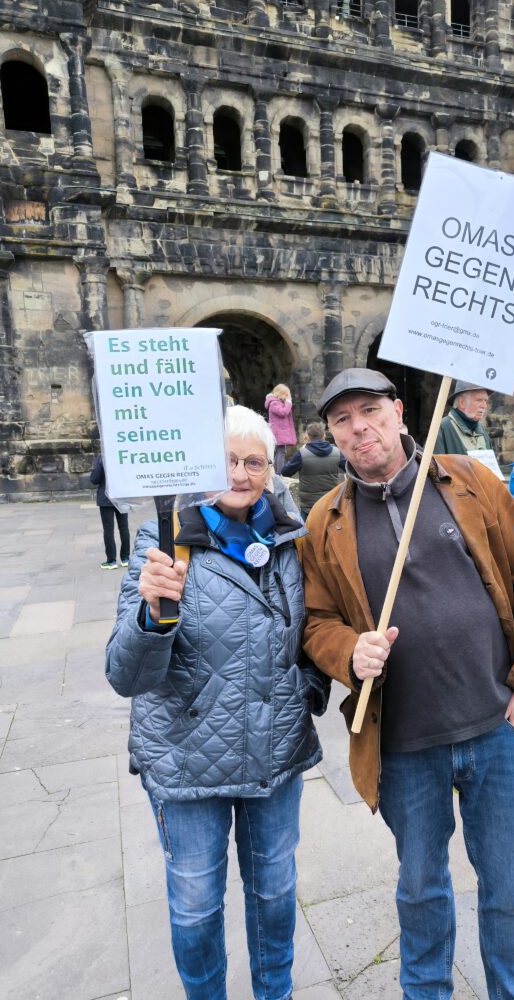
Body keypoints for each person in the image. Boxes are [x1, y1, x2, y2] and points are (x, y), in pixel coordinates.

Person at [300, 368, 514, 1000]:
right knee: (420, 891)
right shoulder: (324, 521)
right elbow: (316, 621)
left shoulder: (469, 482)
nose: (359, 427)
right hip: (404, 744)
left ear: (399, 412)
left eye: (370, 410)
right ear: (332, 434)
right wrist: (348, 652)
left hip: (499, 729)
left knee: (510, 894)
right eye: (343, 419)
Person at [105, 406, 329, 1000]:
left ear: (271, 467)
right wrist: (153, 615)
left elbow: (314, 629)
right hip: (186, 759)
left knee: (275, 894)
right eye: (227, 459)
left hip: (274, 754)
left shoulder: (290, 535)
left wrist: (308, 689)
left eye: (254, 461)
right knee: (197, 904)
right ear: (200, 464)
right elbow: (125, 676)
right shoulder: (164, 536)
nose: (240, 472)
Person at [281, 420, 345, 519]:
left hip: (309, 506)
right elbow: (348, 467)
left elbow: (285, 472)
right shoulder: (337, 452)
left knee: (308, 532)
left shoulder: (301, 453)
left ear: (308, 437)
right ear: (324, 435)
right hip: (331, 502)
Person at [90, 452, 131, 570]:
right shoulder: (123, 455)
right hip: (122, 496)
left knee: (108, 529)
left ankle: (111, 560)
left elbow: (94, 479)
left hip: (105, 498)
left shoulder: (102, 457)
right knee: (124, 527)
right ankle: (125, 558)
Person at [433, 380, 494, 456]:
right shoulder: (441, 428)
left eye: (485, 401)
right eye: (479, 400)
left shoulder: (483, 432)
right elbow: (433, 466)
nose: (484, 406)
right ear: (462, 403)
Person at [264, 383, 297, 475]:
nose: (287, 397)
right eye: (286, 394)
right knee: (280, 452)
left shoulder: (277, 402)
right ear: (280, 393)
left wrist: (287, 402)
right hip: (278, 432)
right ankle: (279, 473)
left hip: (279, 432)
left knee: (279, 452)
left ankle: (275, 473)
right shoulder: (274, 403)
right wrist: (288, 402)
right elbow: (283, 412)